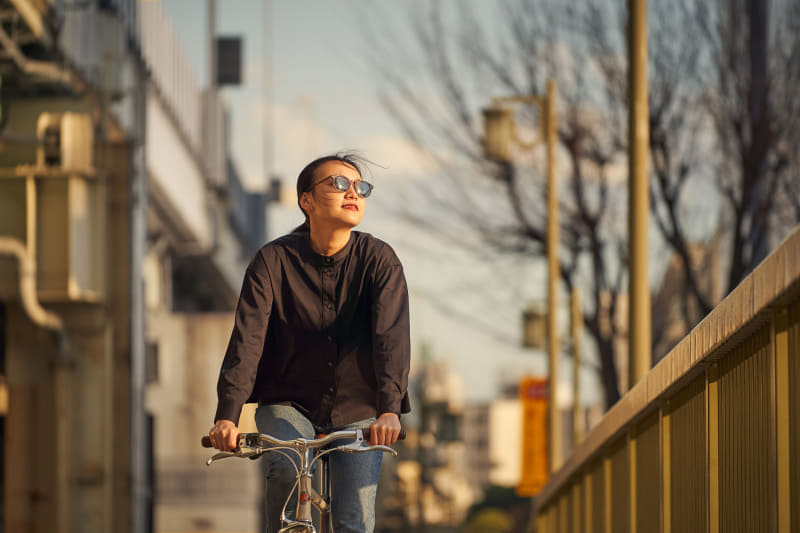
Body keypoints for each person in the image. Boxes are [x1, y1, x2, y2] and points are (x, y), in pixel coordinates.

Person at [207, 152, 411, 533]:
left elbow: (391, 339)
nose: (353, 193)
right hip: (289, 401)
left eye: (361, 187)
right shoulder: (272, 260)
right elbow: (247, 340)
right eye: (338, 184)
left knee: (354, 520)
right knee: (284, 471)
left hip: (361, 407)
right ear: (306, 200)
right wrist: (227, 415)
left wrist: (389, 410)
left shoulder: (380, 260)